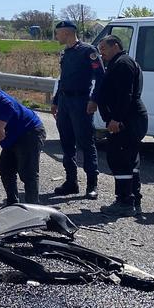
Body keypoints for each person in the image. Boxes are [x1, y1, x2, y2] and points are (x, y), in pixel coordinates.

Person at [51, 20, 105, 199]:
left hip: (81, 101)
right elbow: (63, 79)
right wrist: (56, 100)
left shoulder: (88, 51)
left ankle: (92, 185)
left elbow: (101, 77)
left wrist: (94, 100)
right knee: (66, 142)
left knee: (85, 143)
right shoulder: (65, 52)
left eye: (57, 32)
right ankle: (71, 182)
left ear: (66, 32)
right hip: (65, 101)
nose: (56, 36)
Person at [96, 35, 148, 216]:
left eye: (103, 48)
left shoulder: (123, 64)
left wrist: (116, 119)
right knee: (129, 159)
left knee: (119, 158)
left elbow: (125, 94)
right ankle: (133, 197)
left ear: (115, 46)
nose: (100, 53)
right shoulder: (118, 62)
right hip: (130, 119)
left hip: (127, 120)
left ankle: (125, 201)